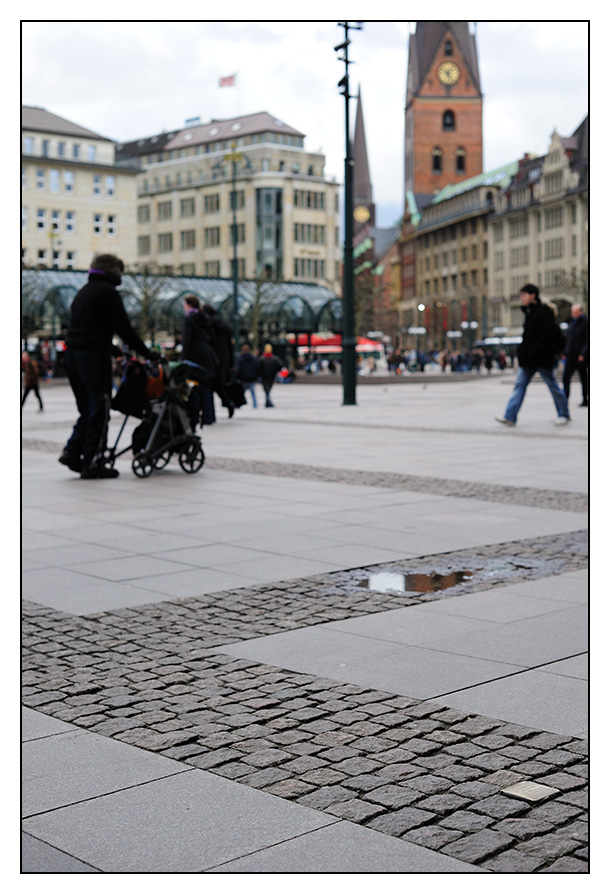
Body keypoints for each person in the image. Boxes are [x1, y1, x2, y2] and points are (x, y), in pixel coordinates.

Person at [60, 253, 157, 479]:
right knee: (100, 408)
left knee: (87, 408)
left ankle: (73, 451)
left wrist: (112, 349)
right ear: (113, 271)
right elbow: (124, 329)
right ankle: (92, 463)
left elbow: (87, 329)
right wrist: (148, 354)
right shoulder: (108, 293)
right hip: (92, 358)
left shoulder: (83, 292)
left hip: (73, 354)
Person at [495, 283, 570, 427]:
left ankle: (563, 414)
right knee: (519, 386)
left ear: (532, 296)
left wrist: (533, 351)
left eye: (524, 295)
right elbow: (527, 337)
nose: (522, 298)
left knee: (552, 386)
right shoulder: (528, 312)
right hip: (528, 360)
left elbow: (546, 336)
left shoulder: (543, 312)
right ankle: (510, 416)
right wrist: (523, 352)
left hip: (541, 358)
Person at [181, 295, 218, 427]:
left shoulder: (189, 319)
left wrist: (183, 360)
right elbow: (213, 338)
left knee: (195, 388)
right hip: (207, 357)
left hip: (195, 358)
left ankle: (196, 416)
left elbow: (187, 341)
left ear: (188, 305)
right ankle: (209, 416)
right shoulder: (204, 318)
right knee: (207, 388)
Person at [202, 304, 235, 418]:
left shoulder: (208, 324)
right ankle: (228, 404)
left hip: (213, 357)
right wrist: (231, 363)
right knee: (219, 384)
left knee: (211, 384)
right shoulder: (224, 325)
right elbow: (230, 346)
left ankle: (213, 412)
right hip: (224, 358)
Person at [562, 303, 589, 408]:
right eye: (572, 312)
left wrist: (583, 353)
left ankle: (585, 399)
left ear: (581, 312)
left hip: (581, 356)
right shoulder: (571, 323)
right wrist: (565, 352)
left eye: (576, 312)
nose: (574, 314)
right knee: (566, 377)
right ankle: (565, 398)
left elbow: (588, 340)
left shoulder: (586, 323)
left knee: (583, 378)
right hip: (570, 355)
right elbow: (568, 339)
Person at [235, 343, 260, 408]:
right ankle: (255, 405)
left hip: (244, 378)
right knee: (253, 393)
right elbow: (257, 368)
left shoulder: (240, 359)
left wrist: (238, 377)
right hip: (252, 378)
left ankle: (239, 404)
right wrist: (256, 376)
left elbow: (238, 369)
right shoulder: (253, 358)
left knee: (242, 393)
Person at [258, 343, 283, 407]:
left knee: (266, 389)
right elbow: (280, 366)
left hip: (264, 377)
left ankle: (268, 402)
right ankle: (268, 402)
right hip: (271, 376)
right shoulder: (274, 358)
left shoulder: (262, 359)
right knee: (267, 389)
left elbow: (258, 368)